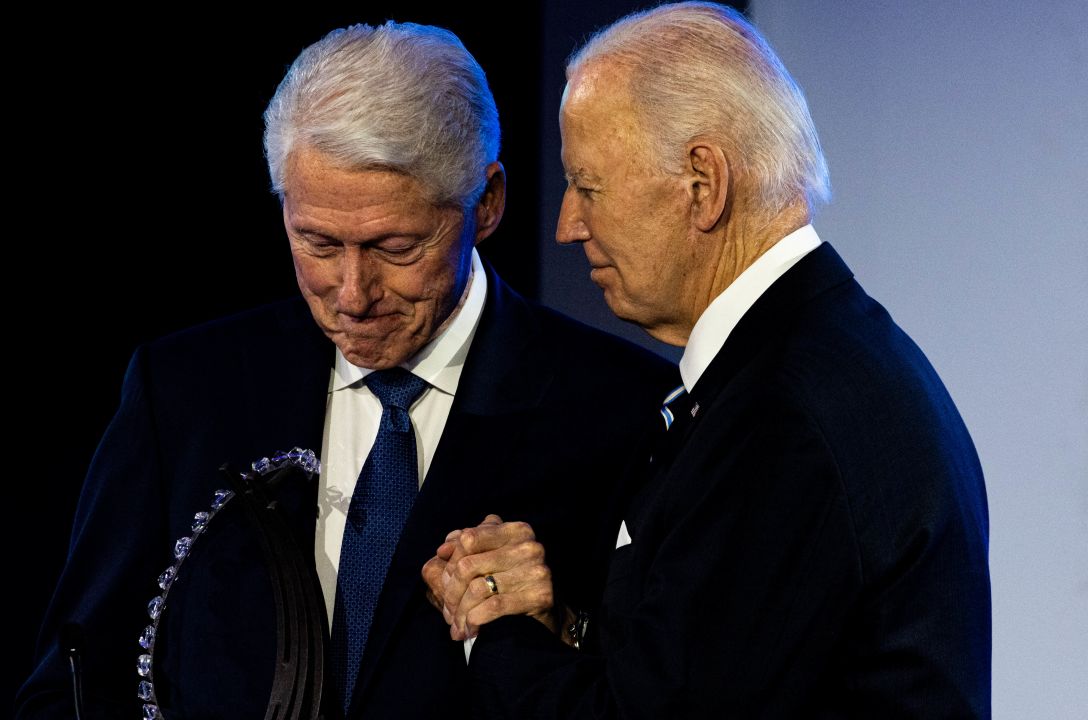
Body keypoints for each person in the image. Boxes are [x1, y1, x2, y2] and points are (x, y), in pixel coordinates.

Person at [15, 21, 675, 720]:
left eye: (395, 246)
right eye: (318, 242)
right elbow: (74, 686)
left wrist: (561, 625)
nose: (353, 294)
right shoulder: (185, 392)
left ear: (486, 204)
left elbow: (658, 691)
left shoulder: (620, 412)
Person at [424, 3, 991, 717]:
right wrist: (561, 628)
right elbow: (710, 670)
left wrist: (492, 626)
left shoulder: (782, 418)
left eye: (589, 187)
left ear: (703, 182)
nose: (568, 224)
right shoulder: (819, 361)